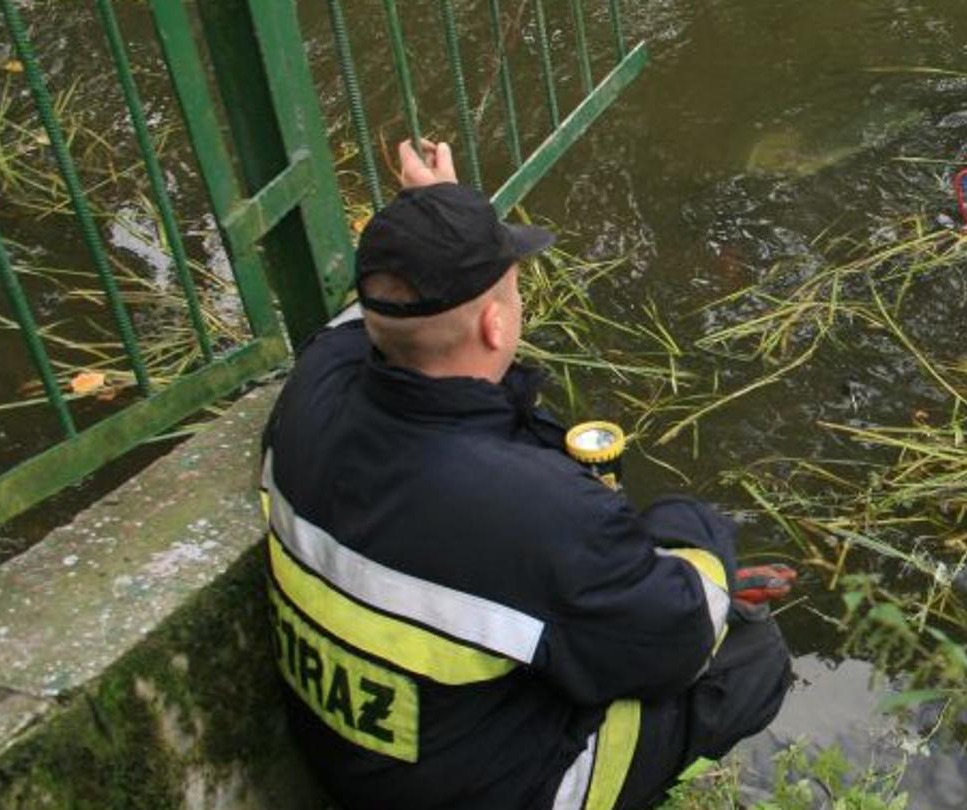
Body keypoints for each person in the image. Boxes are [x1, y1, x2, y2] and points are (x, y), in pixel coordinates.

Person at [260, 139, 792, 810]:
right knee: (749, 656)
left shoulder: (312, 390)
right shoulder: (540, 512)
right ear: (492, 324)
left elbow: (374, 311)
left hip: (353, 767)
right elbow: (683, 638)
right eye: (512, 291)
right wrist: (694, 532)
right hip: (494, 795)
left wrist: (435, 216)